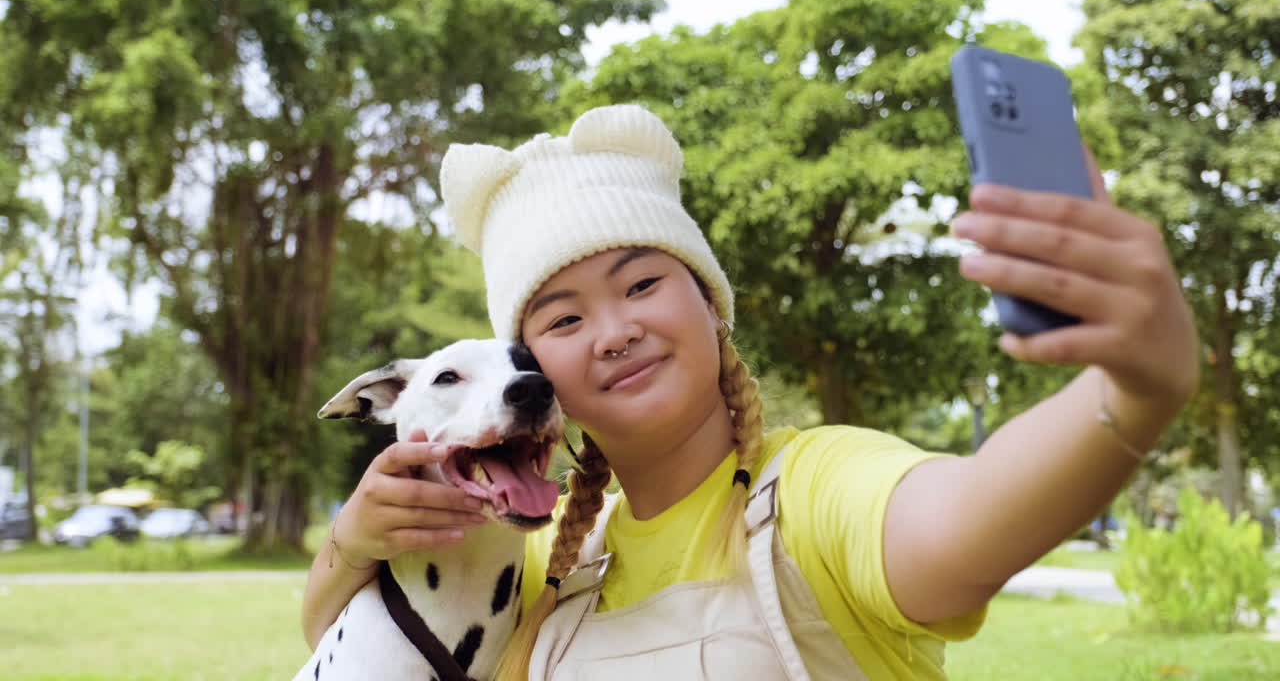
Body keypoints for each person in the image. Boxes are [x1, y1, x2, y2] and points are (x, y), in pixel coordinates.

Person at [301, 105, 1197, 679]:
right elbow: (345, 644)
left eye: (643, 285)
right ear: (540, 376)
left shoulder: (811, 492)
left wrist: (1132, 393)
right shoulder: (539, 556)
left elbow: (964, 525)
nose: (614, 330)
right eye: (564, 322)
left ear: (711, 306)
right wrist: (352, 538)